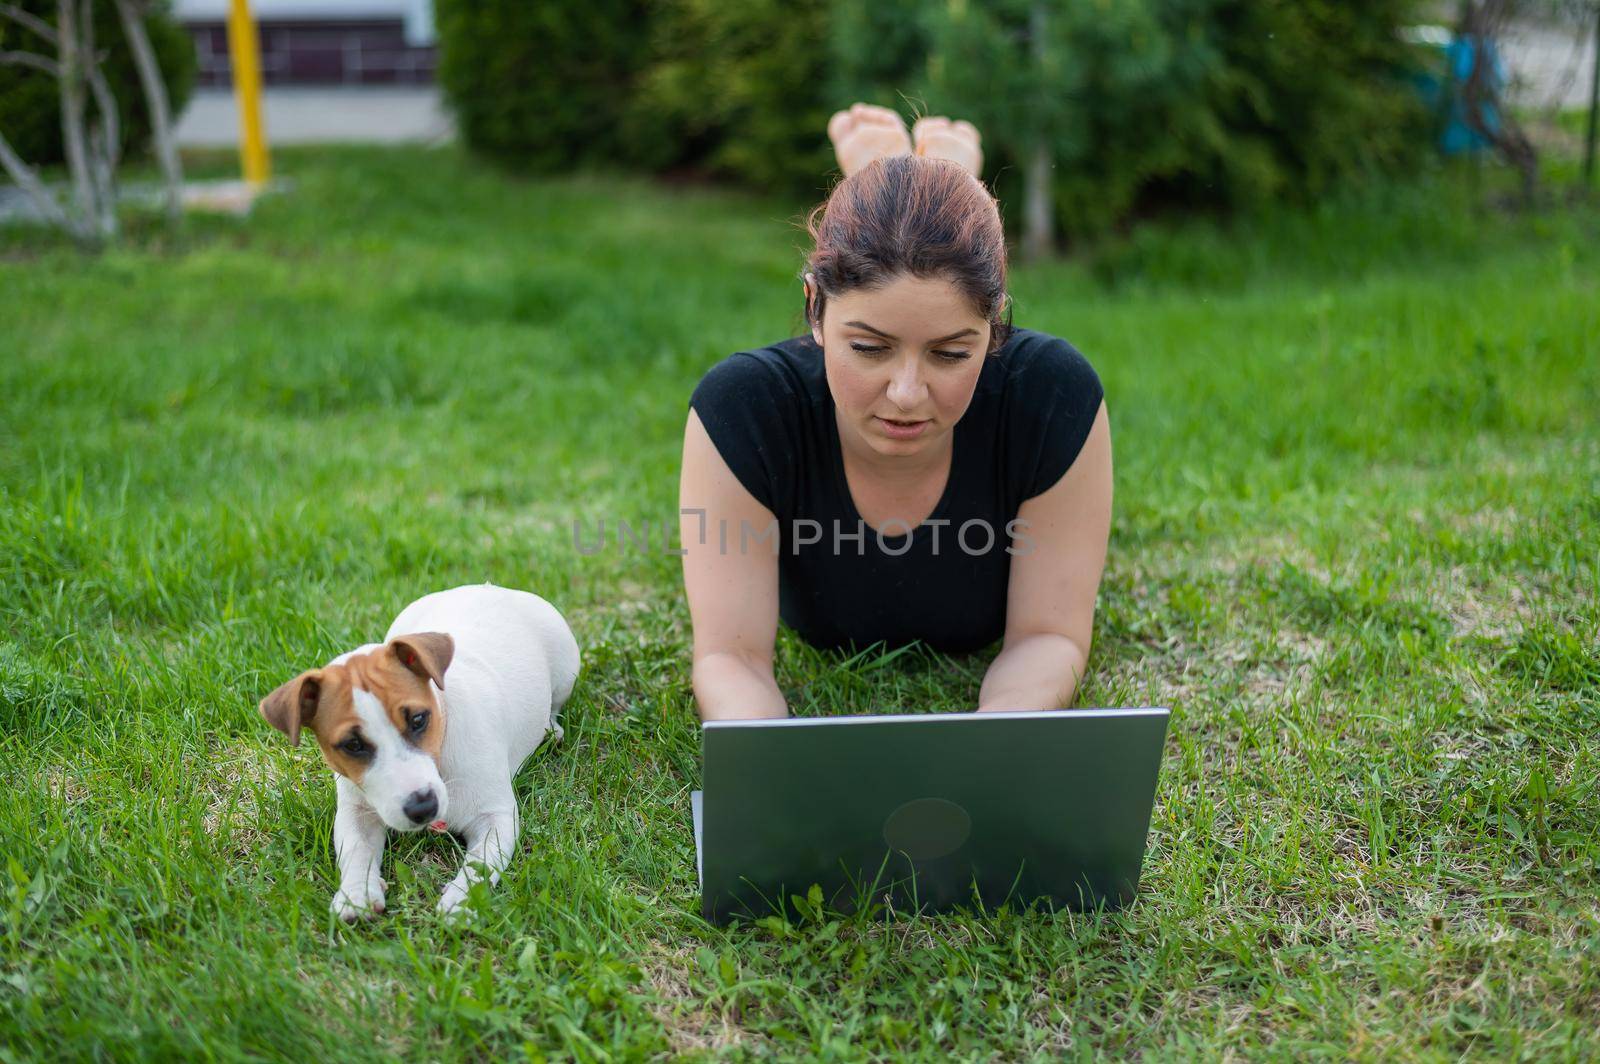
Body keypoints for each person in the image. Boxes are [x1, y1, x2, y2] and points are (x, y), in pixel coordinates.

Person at [679, 104, 1112, 722]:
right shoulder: (745, 410)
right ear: (814, 311)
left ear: (994, 328)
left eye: (951, 353)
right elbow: (729, 657)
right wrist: (776, 768)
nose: (907, 394)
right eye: (869, 348)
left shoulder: (1050, 396)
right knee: (910, 239)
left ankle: (922, 173)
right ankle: (917, 171)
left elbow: (1051, 636)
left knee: (917, 242)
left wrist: (996, 737)